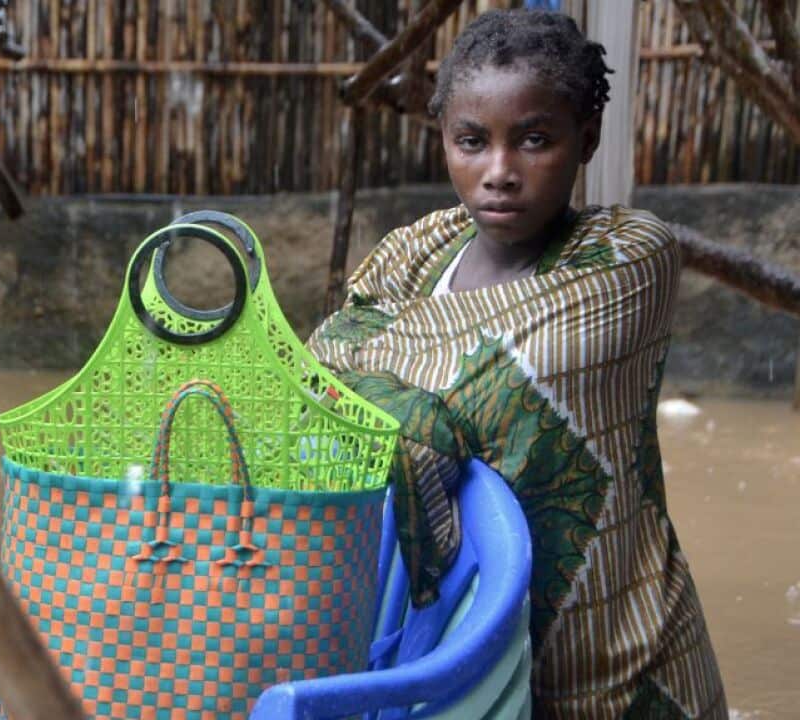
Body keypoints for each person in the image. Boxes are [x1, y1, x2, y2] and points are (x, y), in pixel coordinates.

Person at [307, 9, 726, 718]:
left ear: (585, 140)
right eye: (472, 141)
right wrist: (385, 396)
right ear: (444, 140)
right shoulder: (420, 250)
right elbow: (315, 362)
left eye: (534, 140)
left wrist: (375, 388)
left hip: (620, 668)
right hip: (467, 675)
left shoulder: (627, 258)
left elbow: (480, 379)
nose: (499, 172)